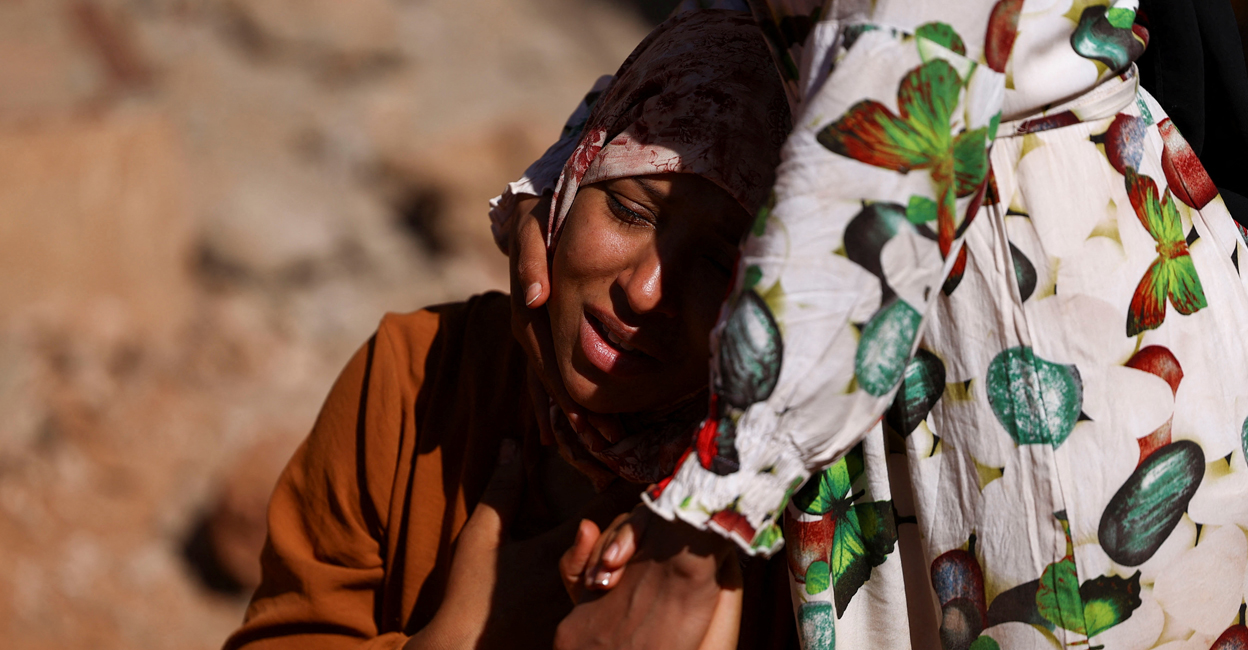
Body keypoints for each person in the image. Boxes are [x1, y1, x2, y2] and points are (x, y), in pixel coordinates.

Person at [501, 1, 1248, 649]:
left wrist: (708, 514)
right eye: (631, 211)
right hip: (868, 349)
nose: (645, 290)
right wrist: (577, 161)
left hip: (1046, 352)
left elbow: (897, 116)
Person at [221, 10, 795, 650]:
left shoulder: (773, 523)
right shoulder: (420, 377)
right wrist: (468, 635)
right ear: (567, 184)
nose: (645, 290)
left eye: (720, 263)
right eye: (631, 210)